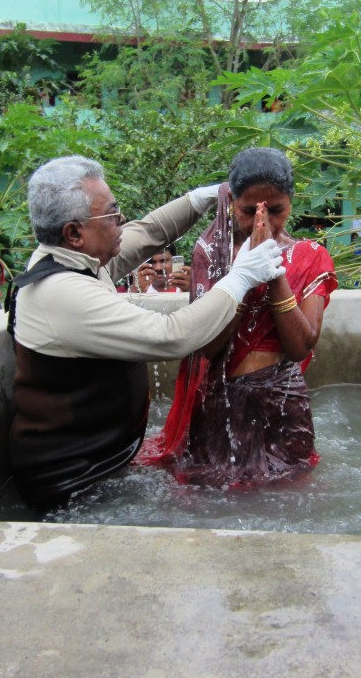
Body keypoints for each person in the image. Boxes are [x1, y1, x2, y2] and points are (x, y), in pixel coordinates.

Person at [8, 155, 286, 509]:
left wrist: (199, 198)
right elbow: (171, 336)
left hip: (101, 460)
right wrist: (241, 277)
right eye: (112, 213)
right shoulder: (61, 292)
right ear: (74, 233)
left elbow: (148, 233)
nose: (121, 220)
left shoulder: (73, 260)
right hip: (71, 479)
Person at [136, 147, 338, 488]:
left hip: (282, 404)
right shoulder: (211, 255)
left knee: (289, 493)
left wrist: (273, 273)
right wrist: (242, 278)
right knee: (208, 494)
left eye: (276, 211)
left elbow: (300, 346)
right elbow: (209, 347)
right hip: (220, 401)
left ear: (291, 203)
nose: (264, 223)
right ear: (231, 204)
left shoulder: (310, 256)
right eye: (249, 211)